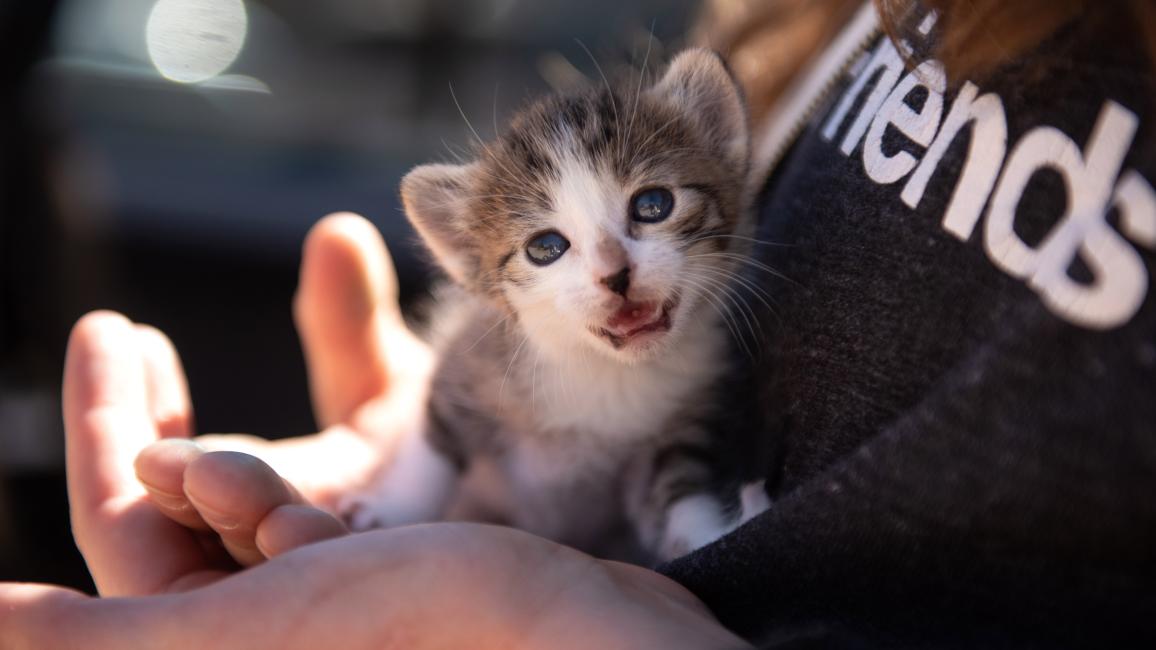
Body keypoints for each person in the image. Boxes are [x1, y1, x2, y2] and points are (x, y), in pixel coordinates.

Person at [2, 0, 1155, 646]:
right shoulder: (820, 22)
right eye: (548, 248)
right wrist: (415, 488)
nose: (609, 270)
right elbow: (462, 402)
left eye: (647, 211)